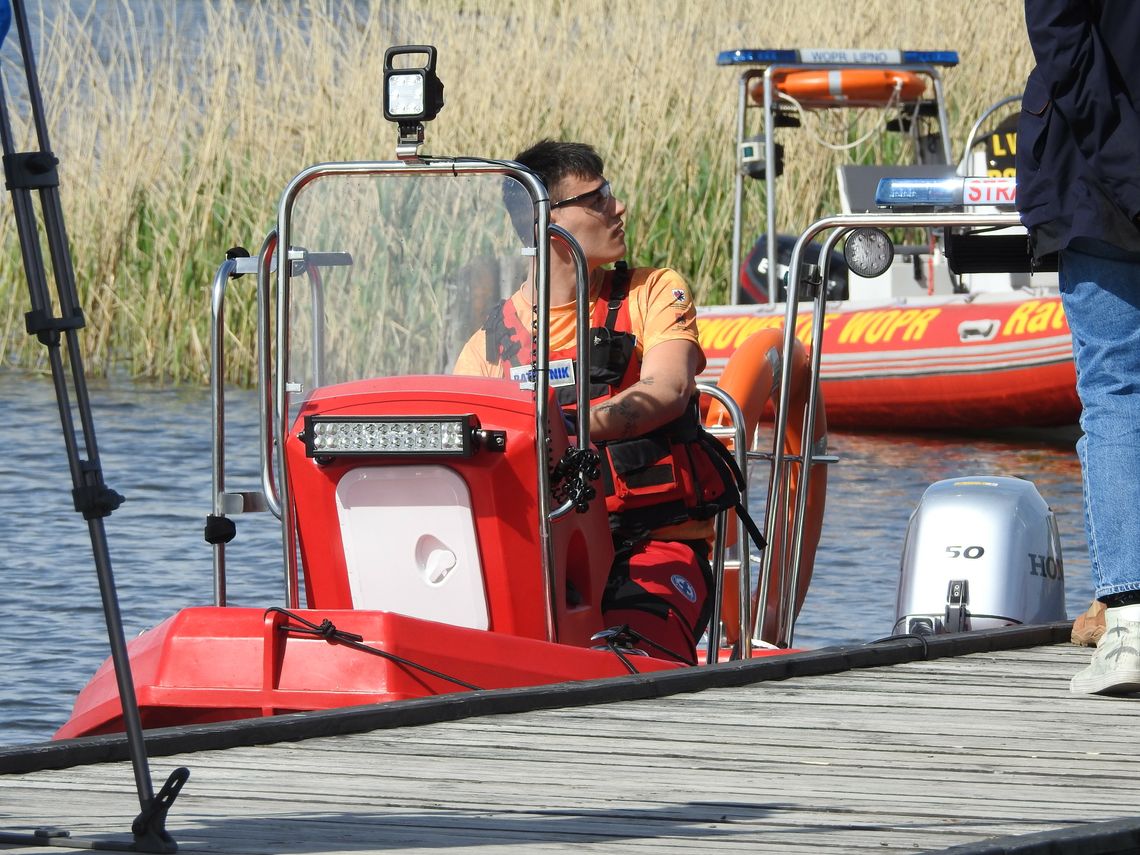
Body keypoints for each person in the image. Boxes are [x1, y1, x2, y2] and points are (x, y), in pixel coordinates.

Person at [454, 140, 734, 665]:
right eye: (599, 197)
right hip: (546, 558)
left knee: (631, 659)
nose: (618, 206)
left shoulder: (654, 291)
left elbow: (668, 390)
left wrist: (564, 427)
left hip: (652, 547)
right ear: (547, 223)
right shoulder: (488, 345)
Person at [1016, 1, 1140, 694]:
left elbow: (1063, 39)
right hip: (1103, 175)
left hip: (1095, 175)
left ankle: (1128, 624)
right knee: (1117, 388)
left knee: (1114, 391)